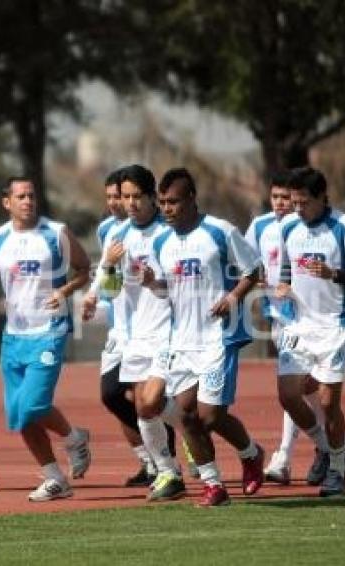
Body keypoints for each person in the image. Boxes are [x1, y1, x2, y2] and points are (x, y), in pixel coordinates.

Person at [142, 167, 266, 507]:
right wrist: (153, 282)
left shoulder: (220, 231)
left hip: (218, 338)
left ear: (192, 199)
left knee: (209, 416)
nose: (167, 209)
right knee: (186, 416)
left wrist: (232, 298)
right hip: (182, 340)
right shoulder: (161, 241)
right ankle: (215, 485)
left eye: (173, 202)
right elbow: (167, 291)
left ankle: (251, 454)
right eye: (162, 202)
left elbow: (254, 270)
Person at [0, 176, 93, 501]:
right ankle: (56, 476)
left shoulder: (56, 233)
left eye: (31, 196)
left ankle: (72, 439)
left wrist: (64, 291)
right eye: (21, 196)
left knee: (32, 406)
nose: (28, 201)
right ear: (6, 202)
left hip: (49, 331)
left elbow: (85, 269)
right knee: (18, 416)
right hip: (14, 336)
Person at [91, 164, 186, 502]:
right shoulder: (118, 237)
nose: (129, 203)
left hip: (167, 332)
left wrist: (154, 284)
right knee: (146, 409)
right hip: (134, 334)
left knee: (149, 402)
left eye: (136, 197)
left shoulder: (168, 235)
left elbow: (179, 286)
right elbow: (112, 291)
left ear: (151, 198)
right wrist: (109, 265)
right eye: (125, 196)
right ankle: (168, 471)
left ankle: (181, 462)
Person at [275, 166, 345, 497]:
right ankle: (335, 447)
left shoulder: (344, 226)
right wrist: (284, 284)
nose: (298, 209)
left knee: (329, 403)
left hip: (334, 325)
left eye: (304, 202)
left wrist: (334, 273)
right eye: (294, 202)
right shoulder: (288, 226)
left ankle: (337, 472)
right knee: (288, 395)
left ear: (321, 197)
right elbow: (287, 266)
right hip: (299, 325)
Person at [246, 171, 326, 486]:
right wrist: (256, 278)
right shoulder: (260, 226)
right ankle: (332, 442)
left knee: (296, 388)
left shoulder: (304, 226)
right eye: (276, 197)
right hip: (278, 316)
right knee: (303, 389)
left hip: (306, 317)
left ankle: (285, 456)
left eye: (286, 198)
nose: (281, 204)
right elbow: (246, 263)